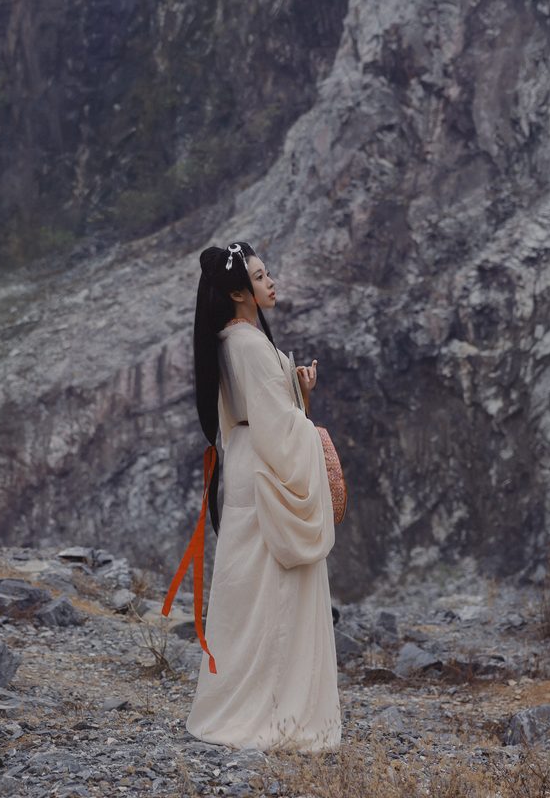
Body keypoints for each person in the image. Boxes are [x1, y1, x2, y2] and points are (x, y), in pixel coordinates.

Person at [166, 240, 340, 753]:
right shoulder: (249, 345)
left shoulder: (229, 340)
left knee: (247, 594)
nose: (270, 281)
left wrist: (298, 392)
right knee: (276, 594)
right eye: (260, 277)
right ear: (240, 292)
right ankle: (277, 717)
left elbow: (261, 412)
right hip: (266, 470)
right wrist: (309, 427)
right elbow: (278, 428)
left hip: (246, 463)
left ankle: (235, 706)